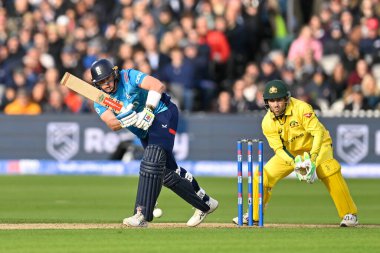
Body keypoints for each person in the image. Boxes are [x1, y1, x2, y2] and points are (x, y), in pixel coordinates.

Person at [90, 58, 218, 227]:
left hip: (162, 113)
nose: (106, 84)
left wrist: (149, 110)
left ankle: (141, 214)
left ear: (114, 73)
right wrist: (126, 117)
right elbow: (112, 123)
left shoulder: (128, 76)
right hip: (142, 129)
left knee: (151, 160)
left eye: (108, 79)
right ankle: (205, 204)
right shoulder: (99, 98)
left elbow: (157, 85)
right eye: (101, 82)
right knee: (166, 172)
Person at [233, 80, 358, 227]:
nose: (276, 104)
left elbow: (317, 133)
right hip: (292, 152)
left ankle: (349, 214)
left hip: (317, 145)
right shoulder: (267, 122)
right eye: (272, 101)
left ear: (286, 99)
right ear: (267, 102)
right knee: (261, 175)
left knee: (328, 169)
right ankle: (254, 215)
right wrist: (295, 163)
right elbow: (279, 150)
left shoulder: (301, 108)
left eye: (279, 99)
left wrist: (312, 159)